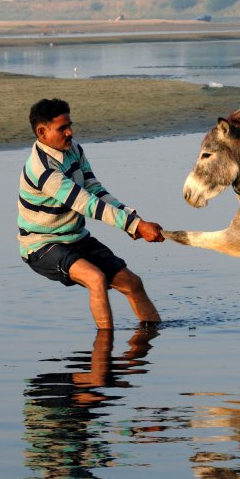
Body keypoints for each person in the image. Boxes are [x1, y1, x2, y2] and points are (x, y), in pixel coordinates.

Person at [18, 98, 164, 330]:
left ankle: (150, 339)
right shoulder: (43, 169)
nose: (70, 132)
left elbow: (95, 190)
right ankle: (103, 357)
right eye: (62, 128)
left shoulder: (74, 150)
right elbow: (86, 204)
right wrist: (133, 226)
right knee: (96, 278)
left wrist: (133, 221)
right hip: (42, 245)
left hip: (76, 237)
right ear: (42, 132)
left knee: (133, 284)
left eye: (70, 125)